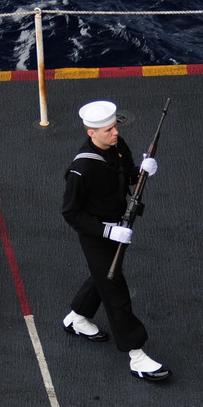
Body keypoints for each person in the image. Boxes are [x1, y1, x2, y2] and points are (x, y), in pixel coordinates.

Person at [61, 100, 170, 381]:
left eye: (115, 127)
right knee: (116, 292)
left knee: (105, 274)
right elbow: (71, 213)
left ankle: (77, 317)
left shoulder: (117, 147)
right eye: (108, 130)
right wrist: (106, 231)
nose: (115, 133)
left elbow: (125, 176)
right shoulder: (81, 169)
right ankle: (137, 355)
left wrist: (143, 171)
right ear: (91, 132)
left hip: (119, 223)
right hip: (97, 233)